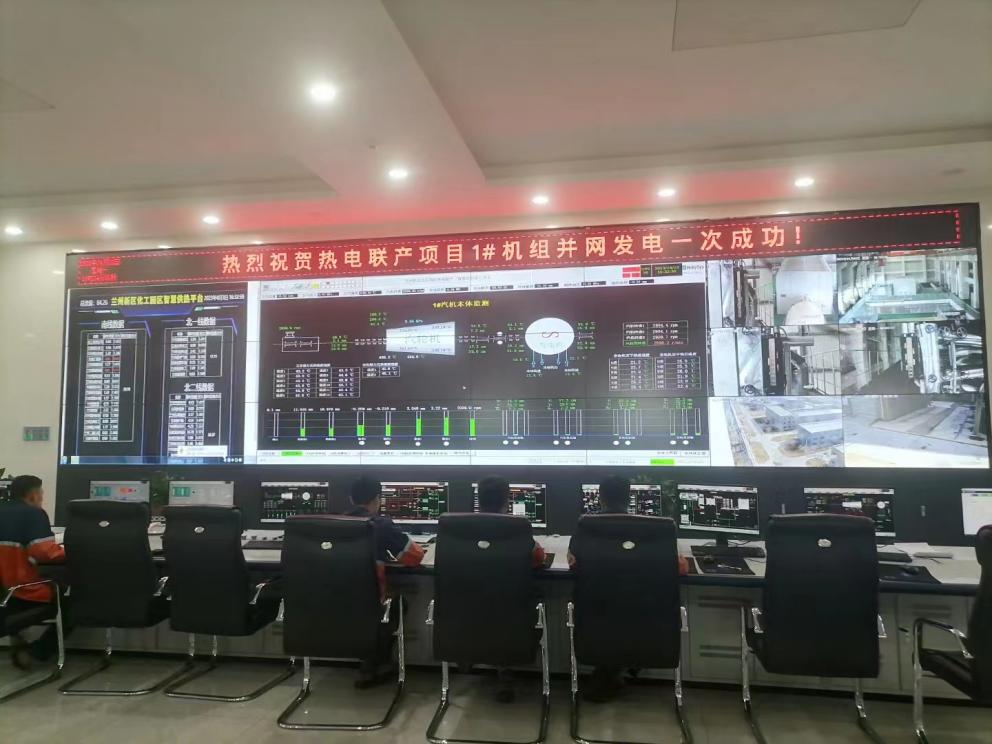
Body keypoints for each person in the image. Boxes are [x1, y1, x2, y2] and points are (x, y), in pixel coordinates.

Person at [568, 476, 689, 703]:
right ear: (629, 498)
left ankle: (608, 673)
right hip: (643, 612)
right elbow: (681, 568)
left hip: (597, 612)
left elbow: (574, 564)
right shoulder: (655, 530)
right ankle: (617, 670)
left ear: (600, 498)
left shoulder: (586, 528)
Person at [346, 475, 425, 689]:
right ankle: (377, 663)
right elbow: (414, 557)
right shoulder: (380, 525)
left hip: (336, 606)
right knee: (398, 603)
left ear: (351, 500)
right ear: (377, 499)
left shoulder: (332, 524)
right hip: (371, 607)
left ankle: (369, 663)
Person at [475, 475, 548, 703]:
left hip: (469, 617)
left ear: (479, 500)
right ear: (507, 501)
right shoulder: (517, 529)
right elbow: (538, 559)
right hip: (514, 614)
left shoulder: (457, 529)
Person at [0, 475, 66, 669]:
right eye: (41, 493)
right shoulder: (33, 514)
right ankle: (37, 651)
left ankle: (18, 635)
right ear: (33, 495)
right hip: (23, 591)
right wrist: (74, 550)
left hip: (4, 592)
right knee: (71, 605)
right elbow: (45, 553)